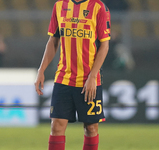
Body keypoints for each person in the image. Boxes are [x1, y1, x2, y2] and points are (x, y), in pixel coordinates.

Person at [35, 0, 111, 150]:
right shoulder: (59, 5)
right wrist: (41, 70)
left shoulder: (98, 7)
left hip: (88, 80)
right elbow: (53, 40)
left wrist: (92, 76)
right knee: (56, 127)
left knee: (91, 129)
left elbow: (104, 45)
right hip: (63, 78)